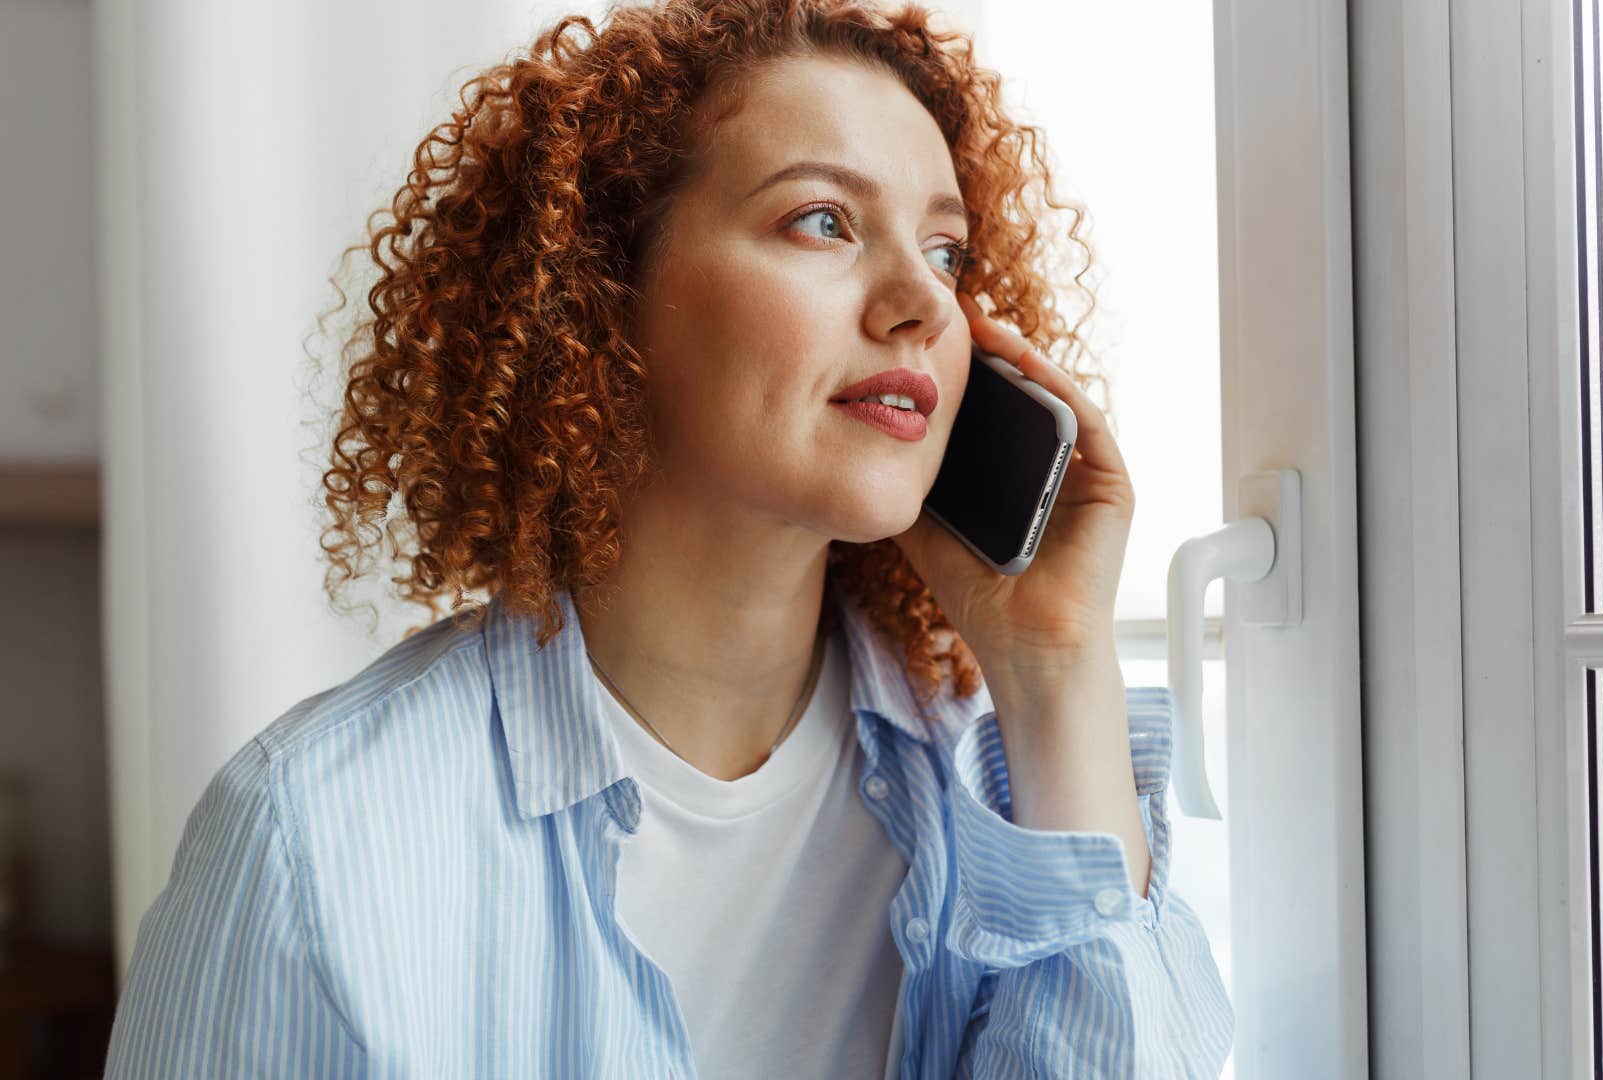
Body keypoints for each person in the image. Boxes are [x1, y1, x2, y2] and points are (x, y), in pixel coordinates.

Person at [103, 0, 1233, 1075]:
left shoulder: (999, 793)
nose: (923, 304)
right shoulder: (313, 842)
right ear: (602, 290)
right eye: (822, 222)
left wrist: (1057, 667)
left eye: (945, 250)